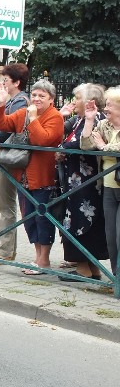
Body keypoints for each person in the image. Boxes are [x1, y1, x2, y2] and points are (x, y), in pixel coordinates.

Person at [0, 79, 63, 274]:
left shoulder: (55, 116)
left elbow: (42, 140)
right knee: (29, 219)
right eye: (34, 95)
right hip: (23, 176)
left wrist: (33, 119)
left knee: (43, 218)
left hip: (43, 176)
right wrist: (0, 104)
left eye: (42, 96)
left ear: (51, 99)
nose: (37, 99)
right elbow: (1, 123)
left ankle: (44, 262)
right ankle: (37, 259)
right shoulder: (24, 113)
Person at [57, 84, 107, 280]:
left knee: (82, 219)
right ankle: (91, 269)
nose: (74, 101)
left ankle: (82, 269)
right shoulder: (78, 119)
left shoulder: (95, 119)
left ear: (88, 101)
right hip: (77, 180)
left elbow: (80, 143)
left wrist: (62, 148)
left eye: (77, 97)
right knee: (80, 218)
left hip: (87, 182)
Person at [0, 63, 30, 261]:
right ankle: (5, 248)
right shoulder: (13, 100)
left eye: (6, 80)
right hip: (4, 155)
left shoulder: (21, 102)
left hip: (10, 157)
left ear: (17, 82)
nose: (2, 83)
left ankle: (6, 250)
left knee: (6, 205)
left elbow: (6, 127)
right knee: (5, 205)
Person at [81, 86, 120, 276]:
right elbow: (86, 145)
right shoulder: (104, 125)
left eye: (110, 105)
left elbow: (114, 148)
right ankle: (116, 278)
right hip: (108, 187)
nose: (106, 108)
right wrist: (89, 120)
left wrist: (104, 146)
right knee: (111, 238)